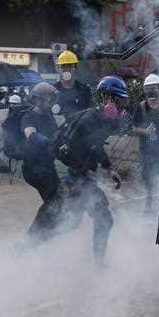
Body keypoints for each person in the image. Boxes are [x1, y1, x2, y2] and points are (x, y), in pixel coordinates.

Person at [51, 76, 127, 263]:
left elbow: (96, 147)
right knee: (101, 220)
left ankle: (31, 243)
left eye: (122, 101)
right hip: (77, 180)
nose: (121, 105)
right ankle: (32, 243)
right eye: (118, 100)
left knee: (72, 223)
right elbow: (66, 152)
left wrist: (109, 168)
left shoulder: (102, 120)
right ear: (106, 97)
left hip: (83, 179)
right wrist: (86, 171)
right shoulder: (88, 120)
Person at [20, 83, 61, 241]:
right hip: (34, 169)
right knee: (54, 201)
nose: (52, 103)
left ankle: (41, 237)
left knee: (61, 202)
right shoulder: (28, 117)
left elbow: (57, 135)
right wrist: (47, 141)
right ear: (38, 100)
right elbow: (30, 134)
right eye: (49, 99)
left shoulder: (49, 116)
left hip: (48, 167)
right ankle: (30, 239)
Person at [132, 74, 159, 212]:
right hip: (147, 151)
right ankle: (149, 203)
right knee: (148, 178)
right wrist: (145, 131)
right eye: (148, 88)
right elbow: (134, 128)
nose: (151, 91)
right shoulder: (141, 107)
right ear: (144, 90)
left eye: (154, 87)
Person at [52, 50, 93, 120]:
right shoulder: (52, 90)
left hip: (80, 128)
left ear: (75, 69)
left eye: (70, 66)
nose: (66, 69)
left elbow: (90, 111)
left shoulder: (84, 90)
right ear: (58, 69)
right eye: (63, 66)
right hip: (59, 129)